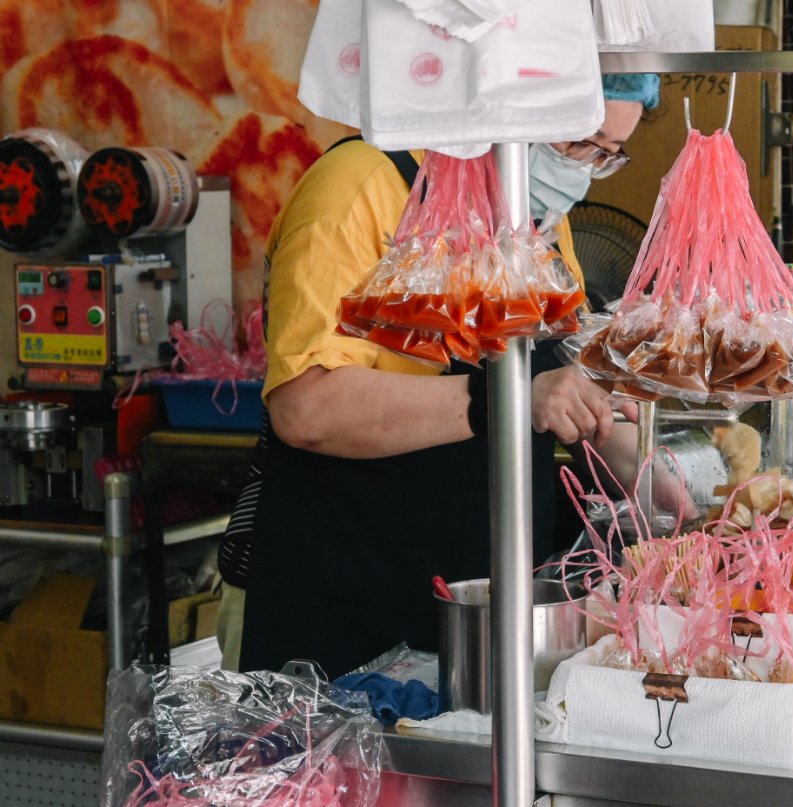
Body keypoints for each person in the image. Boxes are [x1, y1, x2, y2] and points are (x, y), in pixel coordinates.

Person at [217, 74, 663, 676]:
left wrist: (659, 472)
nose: (581, 170)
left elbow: (559, 376)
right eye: (575, 143)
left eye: (605, 155)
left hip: (474, 609)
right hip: (339, 607)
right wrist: (504, 401)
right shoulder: (361, 186)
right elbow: (306, 408)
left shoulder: (533, 219)